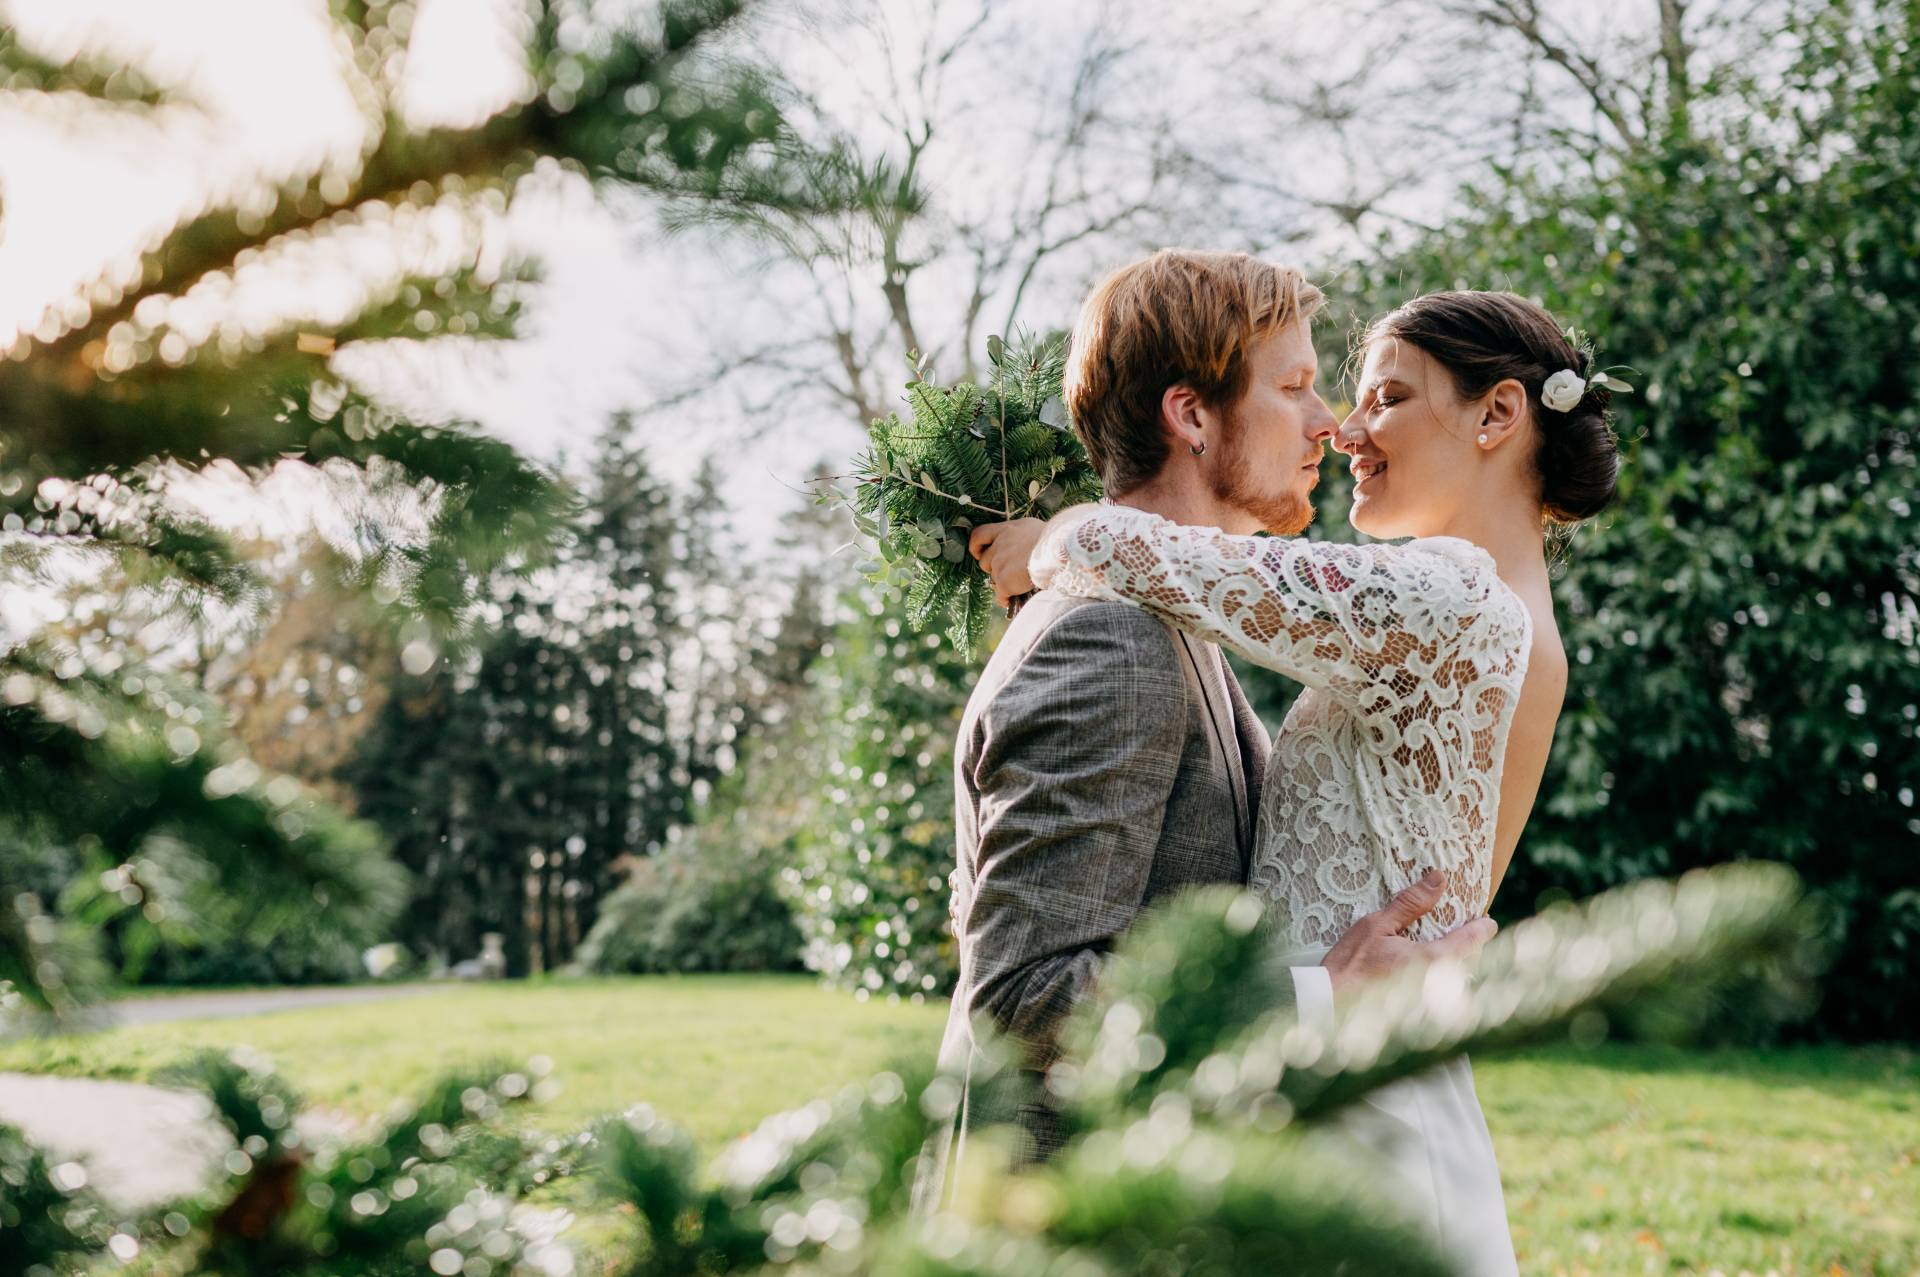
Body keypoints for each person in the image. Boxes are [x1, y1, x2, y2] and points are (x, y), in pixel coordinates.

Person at [973, 283, 1624, 1275]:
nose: (1348, 430)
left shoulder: (1454, 599)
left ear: (1499, 414)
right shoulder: (1520, 630)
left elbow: (1128, 547)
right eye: (1326, 394)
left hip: (1350, 1110)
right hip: (1344, 1083)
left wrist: (1048, 540)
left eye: (1387, 399)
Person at [919, 251, 1501, 1219]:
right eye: (1296, 387)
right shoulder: (1113, 637)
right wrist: (1321, 995)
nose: (1331, 423)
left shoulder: (1165, 620)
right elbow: (1021, 995)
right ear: (1191, 414)